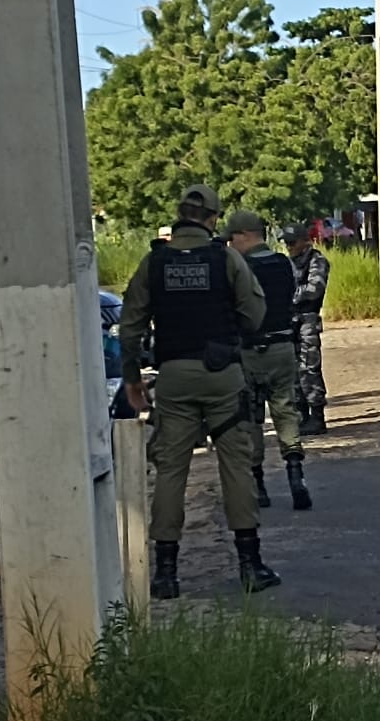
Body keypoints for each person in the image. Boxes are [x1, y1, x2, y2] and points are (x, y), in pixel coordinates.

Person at [120, 185, 280, 599]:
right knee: (236, 465)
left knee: (171, 470)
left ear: (179, 215)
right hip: (223, 374)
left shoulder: (154, 262)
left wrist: (132, 378)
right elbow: (254, 313)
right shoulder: (225, 258)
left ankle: (166, 573)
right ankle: (250, 565)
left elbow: (131, 324)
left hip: (173, 376)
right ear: (212, 218)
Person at [223, 211, 313, 512]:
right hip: (282, 346)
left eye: (231, 238)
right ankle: (295, 474)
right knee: (285, 411)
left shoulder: (237, 267)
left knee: (251, 419)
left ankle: (259, 484)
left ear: (245, 235)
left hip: (249, 350)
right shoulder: (283, 263)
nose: (229, 245)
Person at [280, 224, 331, 436]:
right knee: (291, 370)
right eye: (286, 242)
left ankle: (317, 416)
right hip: (289, 321)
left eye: (292, 242)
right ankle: (301, 415)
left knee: (309, 368)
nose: (289, 246)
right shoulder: (286, 263)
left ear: (304, 241)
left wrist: (288, 295)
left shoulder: (317, 261)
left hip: (307, 321)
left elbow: (314, 289)